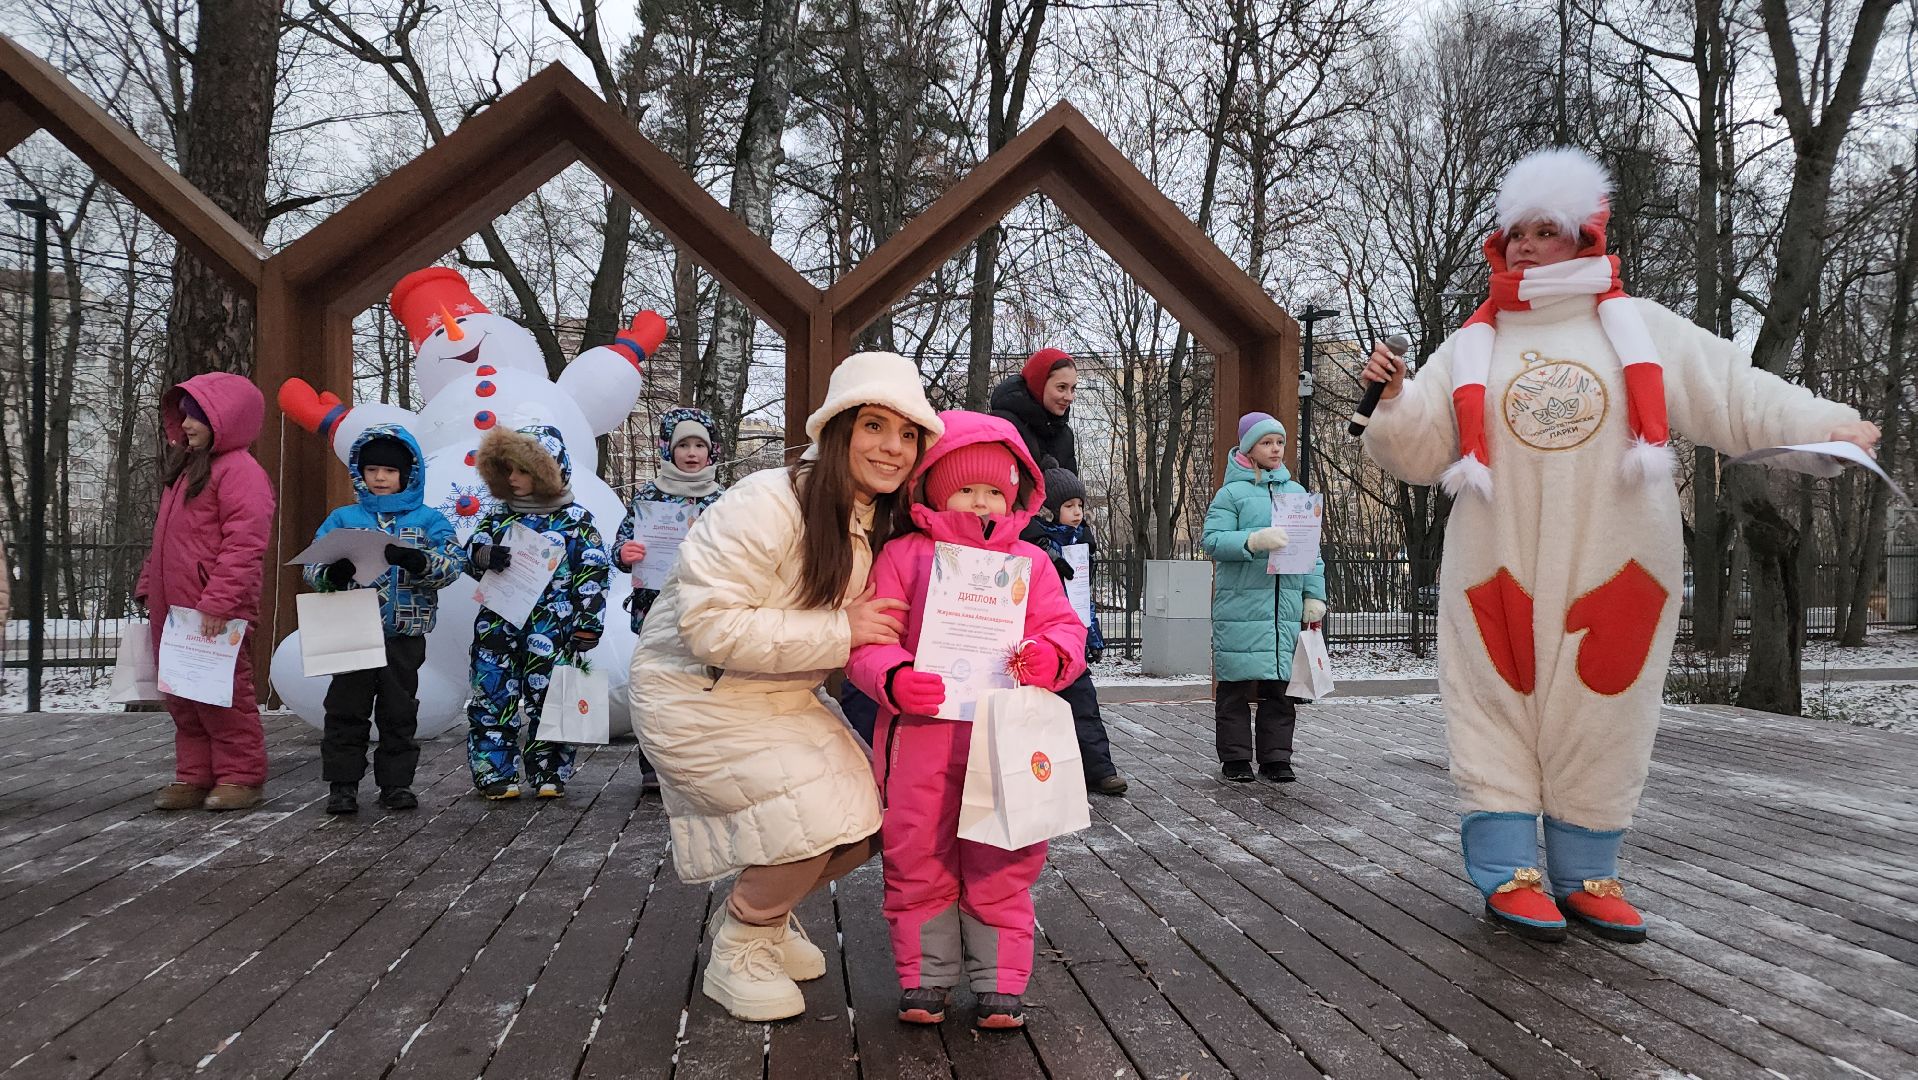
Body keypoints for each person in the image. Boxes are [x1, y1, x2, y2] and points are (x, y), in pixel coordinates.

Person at [1359, 147, 1880, 944]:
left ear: (1585, 236)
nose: (1526, 245)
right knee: (1494, 703)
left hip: (1619, 562)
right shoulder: (1473, 343)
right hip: (1497, 560)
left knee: (1606, 708)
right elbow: (1422, 449)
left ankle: (1588, 874)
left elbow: (1736, 393)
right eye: (1517, 232)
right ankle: (1508, 870)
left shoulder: (1643, 328)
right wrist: (1396, 400)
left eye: (1546, 231)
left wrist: (1828, 425)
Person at [631, 351, 941, 1023]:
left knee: (875, 819)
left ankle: (767, 919)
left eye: (908, 434)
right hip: (696, 693)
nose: (892, 447)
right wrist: (840, 631)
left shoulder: (877, 521)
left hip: (781, 694)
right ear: (837, 430)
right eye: (874, 426)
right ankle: (741, 944)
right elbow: (708, 626)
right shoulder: (766, 502)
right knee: (816, 817)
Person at [846, 410, 1087, 1031]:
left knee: (1003, 852)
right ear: (931, 489)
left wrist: (1050, 657)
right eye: (965, 488)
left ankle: (1000, 980)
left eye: (994, 491)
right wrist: (895, 676)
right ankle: (925, 976)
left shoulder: (1031, 563)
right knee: (916, 851)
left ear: (1015, 495)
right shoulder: (904, 556)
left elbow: (1065, 629)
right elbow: (870, 639)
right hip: (921, 739)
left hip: (1004, 738)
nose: (981, 502)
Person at [302, 424, 464, 814]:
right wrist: (331, 574)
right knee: (345, 708)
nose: (380, 477)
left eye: (390, 471)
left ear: (408, 474)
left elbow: (453, 565)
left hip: (403, 631)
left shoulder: (429, 521)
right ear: (360, 473)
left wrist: (418, 560)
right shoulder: (343, 519)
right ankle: (343, 785)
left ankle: (396, 784)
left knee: (399, 709)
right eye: (372, 469)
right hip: (350, 627)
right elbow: (311, 566)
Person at [137, 373, 276, 811]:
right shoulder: (187, 469)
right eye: (184, 415)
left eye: (196, 416)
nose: (186, 424)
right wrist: (148, 585)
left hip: (212, 608)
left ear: (223, 420)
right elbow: (165, 538)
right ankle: (195, 774)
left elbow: (244, 545)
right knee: (182, 695)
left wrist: (219, 603)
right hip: (174, 606)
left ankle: (240, 776)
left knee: (223, 694)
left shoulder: (241, 472)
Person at [464, 424, 610, 800]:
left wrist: (588, 624)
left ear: (547, 472)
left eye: (523, 470)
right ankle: (494, 772)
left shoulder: (576, 520)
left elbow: (593, 572)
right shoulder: (498, 517)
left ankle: (550, 771)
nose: (513, 478)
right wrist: (484, 555)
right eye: (508, 470)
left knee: (553, 699)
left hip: (554, 629)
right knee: (491, 697)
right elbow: (471, 552)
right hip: (498, 624)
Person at [1201, 413, 1328, 785]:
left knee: (1280, 689)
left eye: (1280, 443)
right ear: (1248, 448)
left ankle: (1276, 758)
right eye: (1266, 442)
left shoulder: (1297, 494)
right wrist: (1253, 540)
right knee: (1235, 687)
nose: (1275, 449)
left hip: (1283, 610)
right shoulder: (1231, 494)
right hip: (1241, 607)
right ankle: (1236, 758)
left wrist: (1313, 595)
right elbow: (1212, 540)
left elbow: (1312, 552)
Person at [612, 407, 727, 791]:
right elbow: (621, 544)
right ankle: (654, 766)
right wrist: (625, 553)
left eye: (699, 445)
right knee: (656, 686)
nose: (692, 453)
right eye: (683, 445)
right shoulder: (648, 497)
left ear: (711, 451)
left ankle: (698, 765)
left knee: (702, 685)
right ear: (668, 449)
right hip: (654, 610)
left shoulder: (723, 501)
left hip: (705, 608)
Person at [1025, 467, 1126, 796]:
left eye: (1080, 505)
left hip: (1072, 636)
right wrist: (1049, 555)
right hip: (1039, 638)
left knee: (1084, 704)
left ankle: (1100, 769)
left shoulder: (1082, 542)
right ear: (1048, 510)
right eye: (1069, 506)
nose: (1078, 512)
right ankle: (1044, 772)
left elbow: (1083, 599)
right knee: (1039, 711)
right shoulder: (1032, 543)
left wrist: (1092, 636)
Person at [989, 346, 1078, 471]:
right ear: (1038, 384)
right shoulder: (1004, 426)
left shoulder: (1065, 434)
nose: (1069, 397)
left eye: (1073, 389)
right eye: (1061, 387)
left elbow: (1071, 482)